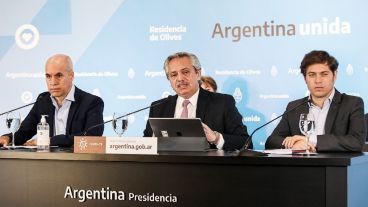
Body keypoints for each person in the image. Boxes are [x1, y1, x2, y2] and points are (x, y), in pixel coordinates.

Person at [143, 52, 250, 151]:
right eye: (174, 75)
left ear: (198, 73)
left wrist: (216, 138)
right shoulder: (158, 107)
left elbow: (246, 143)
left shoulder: (222, 103)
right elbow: (145, 146)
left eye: (185, 72)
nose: (180, 78)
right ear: (169, 79)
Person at [265, 50, 366, 152]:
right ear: (305, 79)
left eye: (324, 74)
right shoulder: (294, 107)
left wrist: (311, 140)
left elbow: (356, 142)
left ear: (334, 76)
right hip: (301, 166)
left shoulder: (352, 104)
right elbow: (271, 141)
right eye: (312, 75)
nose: (318, 80)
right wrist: (294, 145)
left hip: (335, 166)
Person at [0, 54, 104, 147]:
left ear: (71, 76)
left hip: (77, 163)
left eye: (59, 76)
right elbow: (25, 131)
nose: (53, 82)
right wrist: (8, 138)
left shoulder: (91, 102)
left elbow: (93, 136)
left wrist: (49, 141)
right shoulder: (43, 100)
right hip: (48, 163)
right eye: (48, 76)